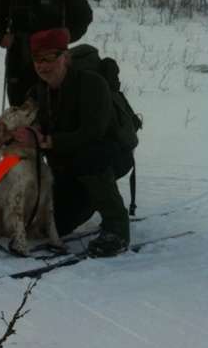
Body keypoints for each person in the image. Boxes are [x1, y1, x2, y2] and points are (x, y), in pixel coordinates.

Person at [12, 29, 134, 257]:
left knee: (89, 157)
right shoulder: (36, 93)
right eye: (38, 58)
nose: (43, 65)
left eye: (50, 57)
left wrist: (44, 140)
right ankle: (91, 197)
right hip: (67, 166)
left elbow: (92, 135)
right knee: (51, 226)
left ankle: (117, 230)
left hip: (109, 156)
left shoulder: (92, 85)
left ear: (65, 58)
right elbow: (18, 132)